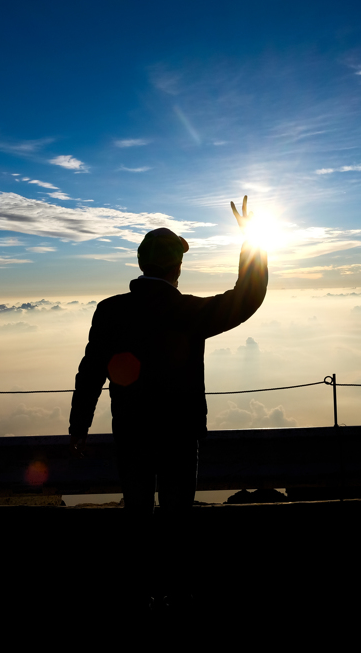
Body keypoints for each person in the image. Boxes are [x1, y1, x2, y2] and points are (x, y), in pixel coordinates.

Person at [68, 196, 268, 517]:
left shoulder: (110, 312)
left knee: (138, 512)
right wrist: (251, 240)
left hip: (132, 433)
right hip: (180, 435)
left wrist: (79, 427)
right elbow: (247, 297)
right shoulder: (188, 312)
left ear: (141, 264)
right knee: (177, 517)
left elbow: (90, 373)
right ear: (178, 266)